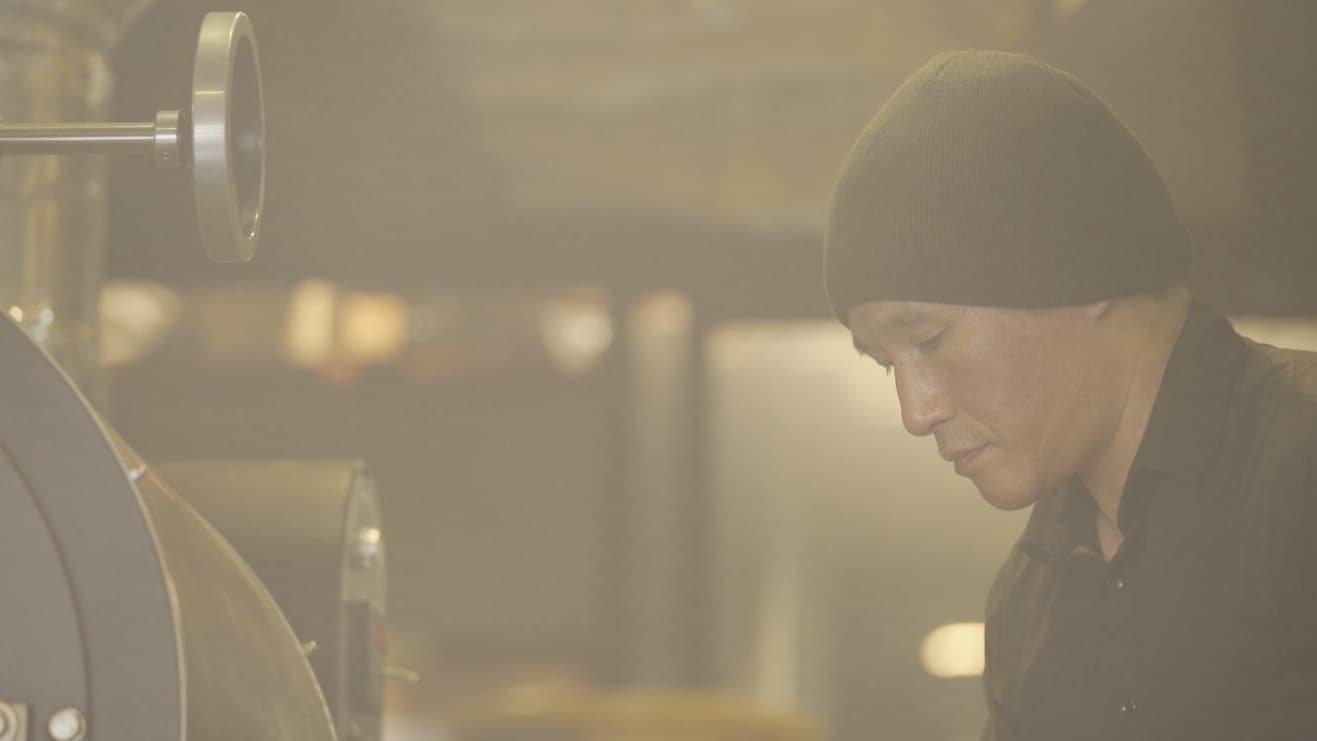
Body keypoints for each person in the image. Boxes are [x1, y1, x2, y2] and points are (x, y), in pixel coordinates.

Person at [822, 50, 1317, 740]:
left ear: (1085, 277)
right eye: (885, 364)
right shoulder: (1029, 601)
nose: (916, 410)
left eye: (929, 339)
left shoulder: (1299, 471)